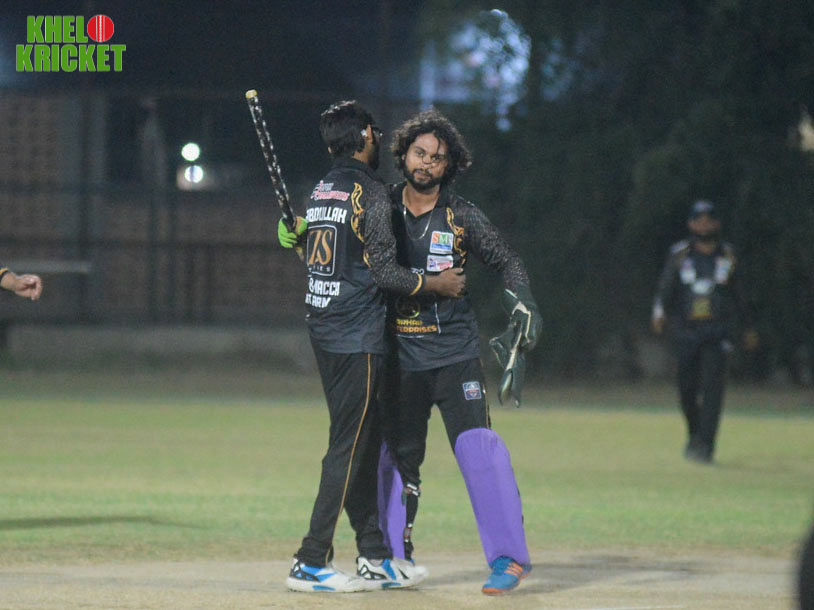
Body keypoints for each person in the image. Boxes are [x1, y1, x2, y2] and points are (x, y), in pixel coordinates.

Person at [276, 101, 465, 593]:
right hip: (356, 335)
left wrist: (297, 239)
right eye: (375, 132)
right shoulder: (372, 193)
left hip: (325, 327)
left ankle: (375, 555)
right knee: (349, 446)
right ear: (363, 136)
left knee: (360, 440)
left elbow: (322, 257)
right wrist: (437, 283)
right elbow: (385, 273)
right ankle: (310, 560)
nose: (379, 139)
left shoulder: (322, 190)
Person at [375, 109, 542, 596]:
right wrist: (303, 235)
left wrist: (523, 301)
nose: (426, 162)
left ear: (449, 166)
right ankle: (392, 559)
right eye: (419, 152)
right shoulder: (380, 207)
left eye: (437, 157)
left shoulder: (462, 215)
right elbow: (340, 242)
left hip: (454, 356)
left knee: (478, 450)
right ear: (404, 153)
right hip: (399, 357)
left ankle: (509, 559)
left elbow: (507, 259)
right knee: (396, 459)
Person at [651, 200, 757, 464]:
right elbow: (665, 288)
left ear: (717, 224)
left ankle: (706, 447)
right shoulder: (679, 255)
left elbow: (741, 295)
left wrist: (748, 327)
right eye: (699, 221)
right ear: (691, 224)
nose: (704, 226)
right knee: (686, 390)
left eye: (709, 221)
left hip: (717, 332)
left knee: (712, 392)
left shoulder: (728, 256)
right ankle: (694, 435)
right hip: (686, 332)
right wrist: (659, 311)